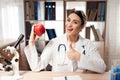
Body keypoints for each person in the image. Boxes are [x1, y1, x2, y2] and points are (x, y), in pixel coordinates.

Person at [24, 10, 106, 73]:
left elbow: (102, 67)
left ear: (82, 26)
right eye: (68, 20)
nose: (69, 24)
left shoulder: (88, 44)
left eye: (75, 22)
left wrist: (78, 56)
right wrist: (31, 43)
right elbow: (36, 66)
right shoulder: (54, 42)